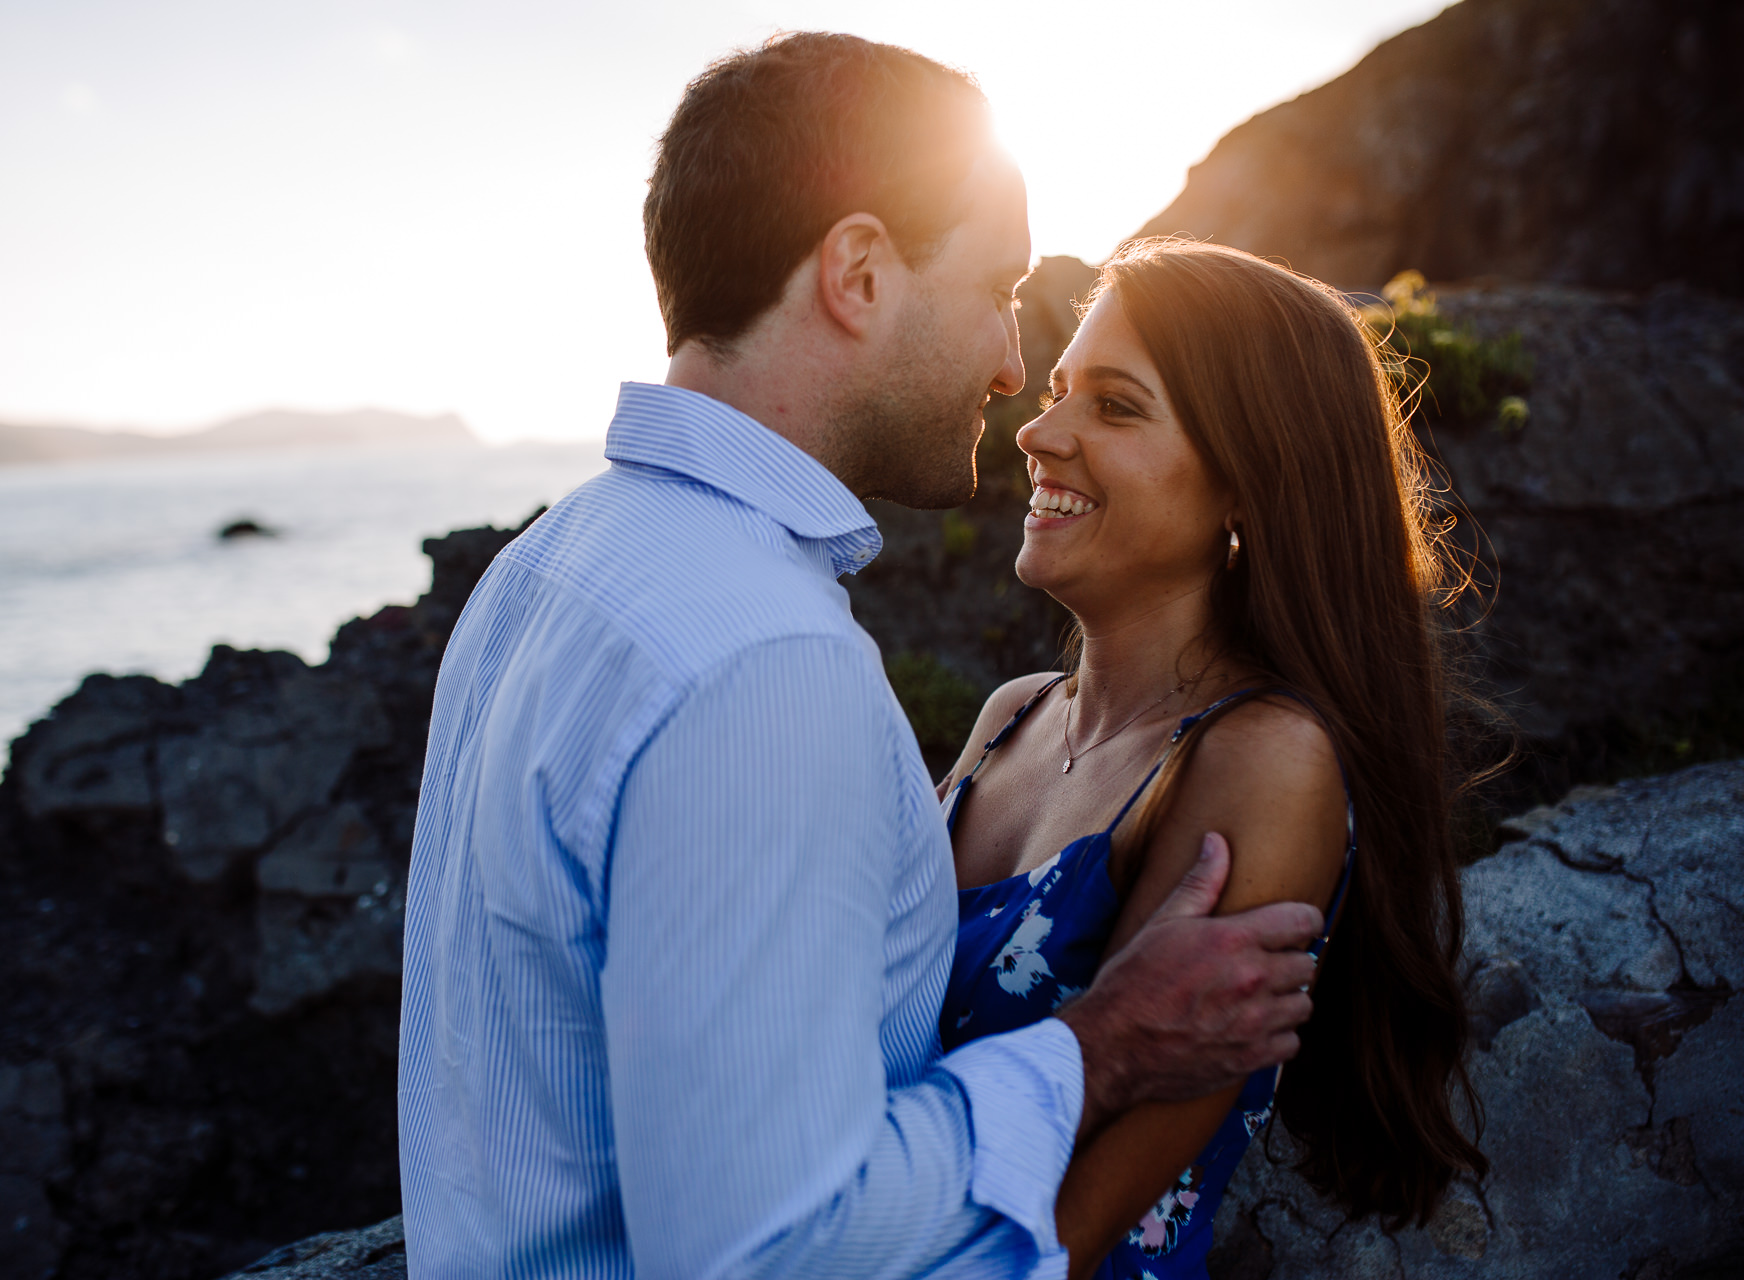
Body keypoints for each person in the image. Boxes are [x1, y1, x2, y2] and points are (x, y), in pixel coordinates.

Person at [397, 35, 1324, 1278]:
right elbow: (764, 1249)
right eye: (999, 290)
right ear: (860, 272)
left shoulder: (546, 568)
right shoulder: (762, 661)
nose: (1012, 374)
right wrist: (1096, 1047)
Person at [936, 239, 1489, 1279]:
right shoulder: (1010, 718)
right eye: (1058, 392)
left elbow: (1083, 1212)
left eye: (1117, 406)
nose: (1040, 433)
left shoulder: (1264, 761)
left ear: (1248, 482)